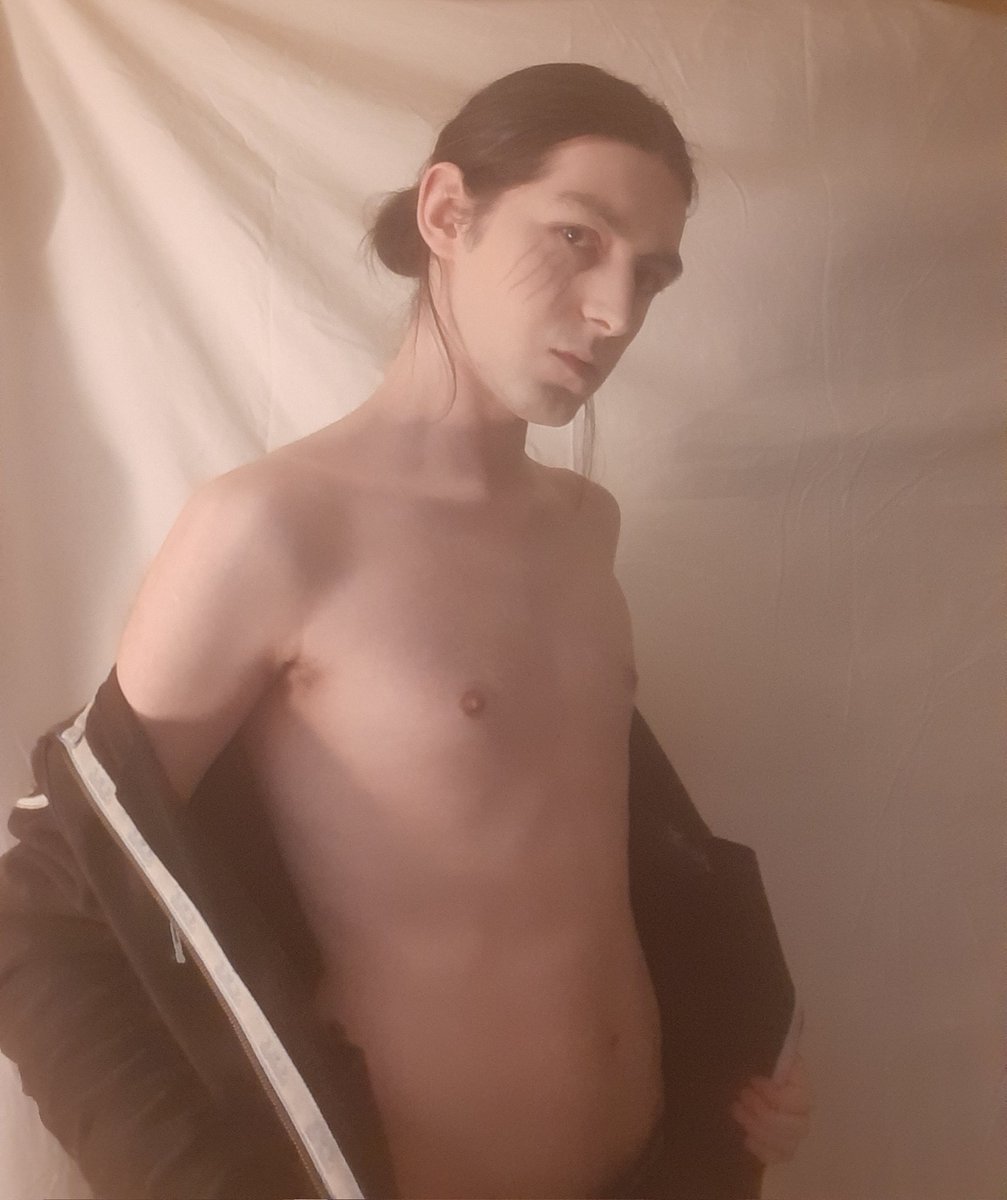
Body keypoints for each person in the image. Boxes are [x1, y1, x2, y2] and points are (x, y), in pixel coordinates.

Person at [0, 63, 810, 1199]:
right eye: (576, 238)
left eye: (649, 274)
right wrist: (185, 1180)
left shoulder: (584, 528)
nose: (616, 313)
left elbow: (576, 858)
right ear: (446, 213)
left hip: (652, 1170)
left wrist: (726, 1059)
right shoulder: (272, 530)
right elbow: (43, 909)